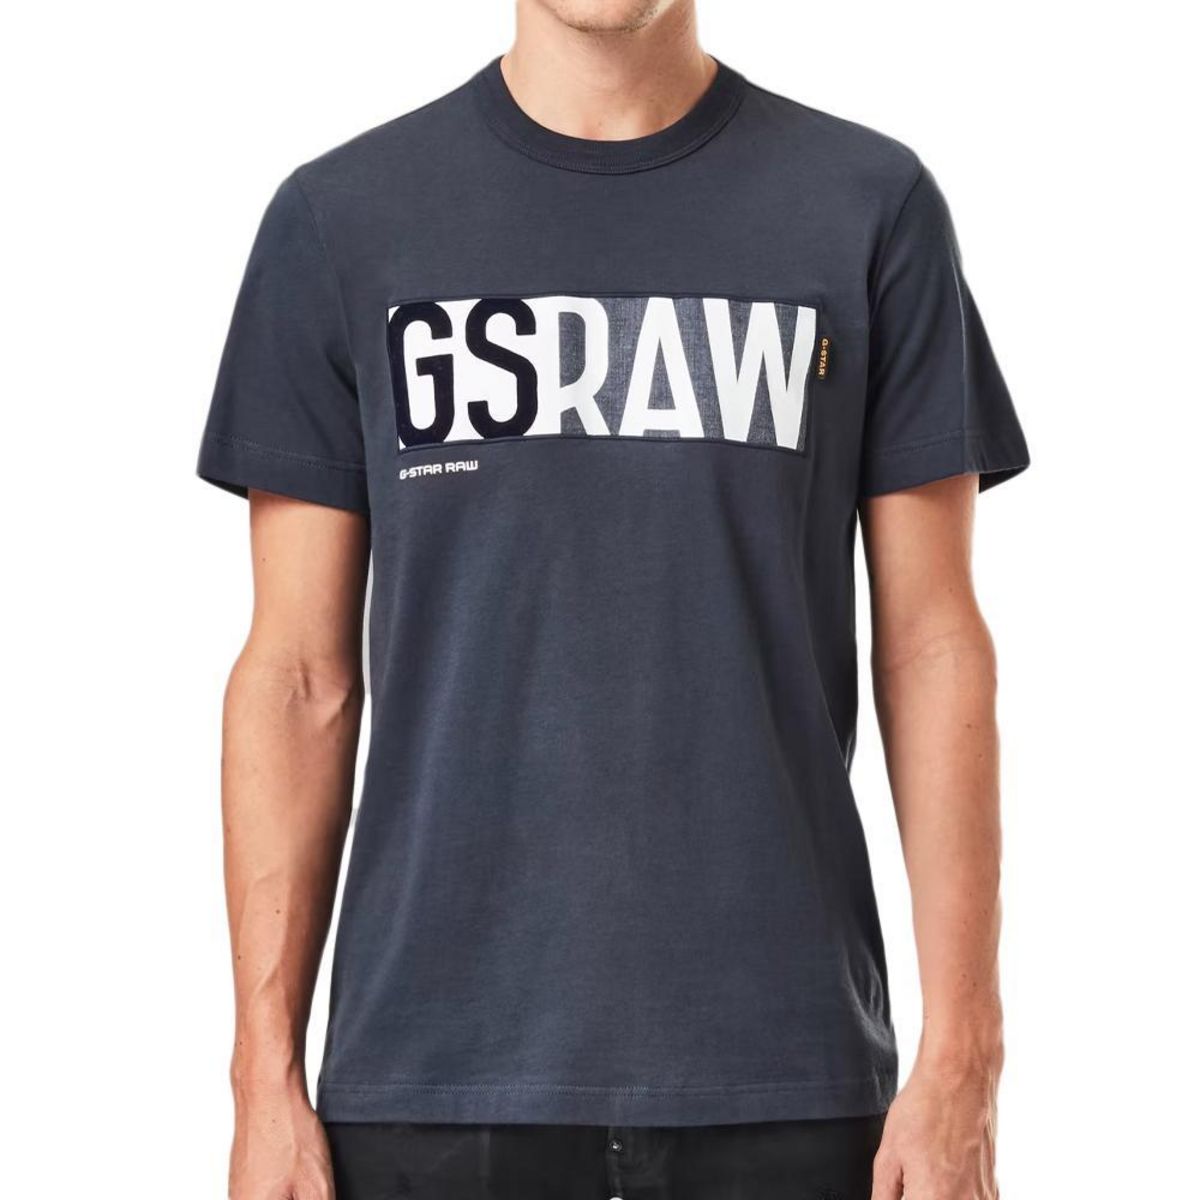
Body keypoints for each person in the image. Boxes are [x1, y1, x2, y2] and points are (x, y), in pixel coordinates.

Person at [199, 1, 1028, 1196]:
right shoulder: (342, 219)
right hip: (429, 1082)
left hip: (784, 1072)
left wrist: (965, 1059)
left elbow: (933, 643)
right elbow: (297, 677)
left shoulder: (867, 204)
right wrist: (260, 1078)